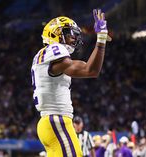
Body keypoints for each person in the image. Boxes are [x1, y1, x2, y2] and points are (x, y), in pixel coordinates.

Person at [31, 9, 109, 157]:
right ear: (55, 34)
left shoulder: (43, 56)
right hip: (57, 120)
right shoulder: (55, 50)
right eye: (69, 33)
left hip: (49, 121)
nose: (73, 37)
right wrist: (101, 38)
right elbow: (90, 70)